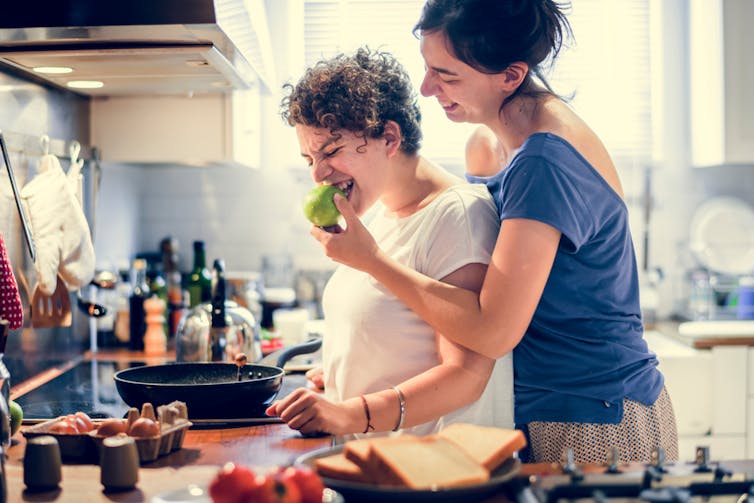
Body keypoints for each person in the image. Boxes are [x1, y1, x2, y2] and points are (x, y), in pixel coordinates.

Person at [308, 0, 678, 464]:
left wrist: (373, 261)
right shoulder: (487, 143)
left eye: (447, 75)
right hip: (538, 409)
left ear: (511, 75)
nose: (426, 88)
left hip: (592, 415)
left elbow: (492, 331)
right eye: (427, 68)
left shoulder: (544, 161)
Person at [265, 47, 513, 439]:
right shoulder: (376, 212)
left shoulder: (459, 215)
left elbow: (466, 376)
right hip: (373, 465)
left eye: (331, 151)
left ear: (390, 138)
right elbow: (397, 338)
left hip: (431, 475)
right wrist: (345, 373)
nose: (319, 174)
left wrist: (350, 413)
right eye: (309, 159)